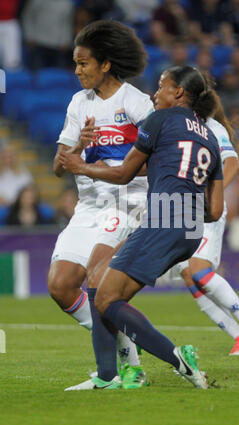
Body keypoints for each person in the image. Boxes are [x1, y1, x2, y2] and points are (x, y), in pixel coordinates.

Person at [59, 65, 224, 390]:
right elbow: (215, 210)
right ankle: (108, 375)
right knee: (102, 289)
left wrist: (82, 166)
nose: (155, 93)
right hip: (191, 231)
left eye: (162, 86)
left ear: (178, 93)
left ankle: (178, 359)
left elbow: (123, 174)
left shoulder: (159, 120)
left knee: (104, 298)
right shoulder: (210, 138)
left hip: (164, 219)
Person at [47, 20, 154, 388]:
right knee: (60, 286)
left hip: (126, 204)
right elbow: (59, 166)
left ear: (105, 64)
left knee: (96, 281)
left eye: (83, 63)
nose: (77, 71)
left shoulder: (137, 103)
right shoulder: (79, 103)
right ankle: (127, 351)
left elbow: (154, 156)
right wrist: (78, 146)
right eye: (75, 64)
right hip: (88, 207)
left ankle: (117, 371)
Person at [168, 95, 239, 355]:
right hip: (184, 210)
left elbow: (232, 162)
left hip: (207, 209)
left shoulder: (211, 127)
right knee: (189, 275)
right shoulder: (173, 125)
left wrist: (214, 193)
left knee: (199, 271)